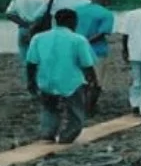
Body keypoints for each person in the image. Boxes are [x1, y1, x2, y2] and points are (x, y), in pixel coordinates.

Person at [25, 9, 98, 144]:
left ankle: (48, 133)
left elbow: (31, 63)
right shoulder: (78, 40)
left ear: (55, 21)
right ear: (73, 22)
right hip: (71, 81)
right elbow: (87, 64)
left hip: (46, 80)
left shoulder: (38, 38)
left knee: (49, 109)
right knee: (75, 112)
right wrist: (93, 81)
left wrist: (31, 81)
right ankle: (66, 137)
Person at [4, 0, 54, 84]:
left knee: (26, 59)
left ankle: (30, 85)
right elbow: (46, 14)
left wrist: (25, 24)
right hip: (41, 31)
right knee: (42, 59)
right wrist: (34, 26)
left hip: (23, 30)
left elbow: (9, 14)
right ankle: (42, 84)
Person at [75, 0, 115, 114]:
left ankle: (79, 106)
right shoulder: (106, 14)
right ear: (104, 0)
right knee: (96, 81)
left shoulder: (77, 10)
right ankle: (89, 108)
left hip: (76, 50)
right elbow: (102, 32)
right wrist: (87, 41)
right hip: (97, 51)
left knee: (80, 80)